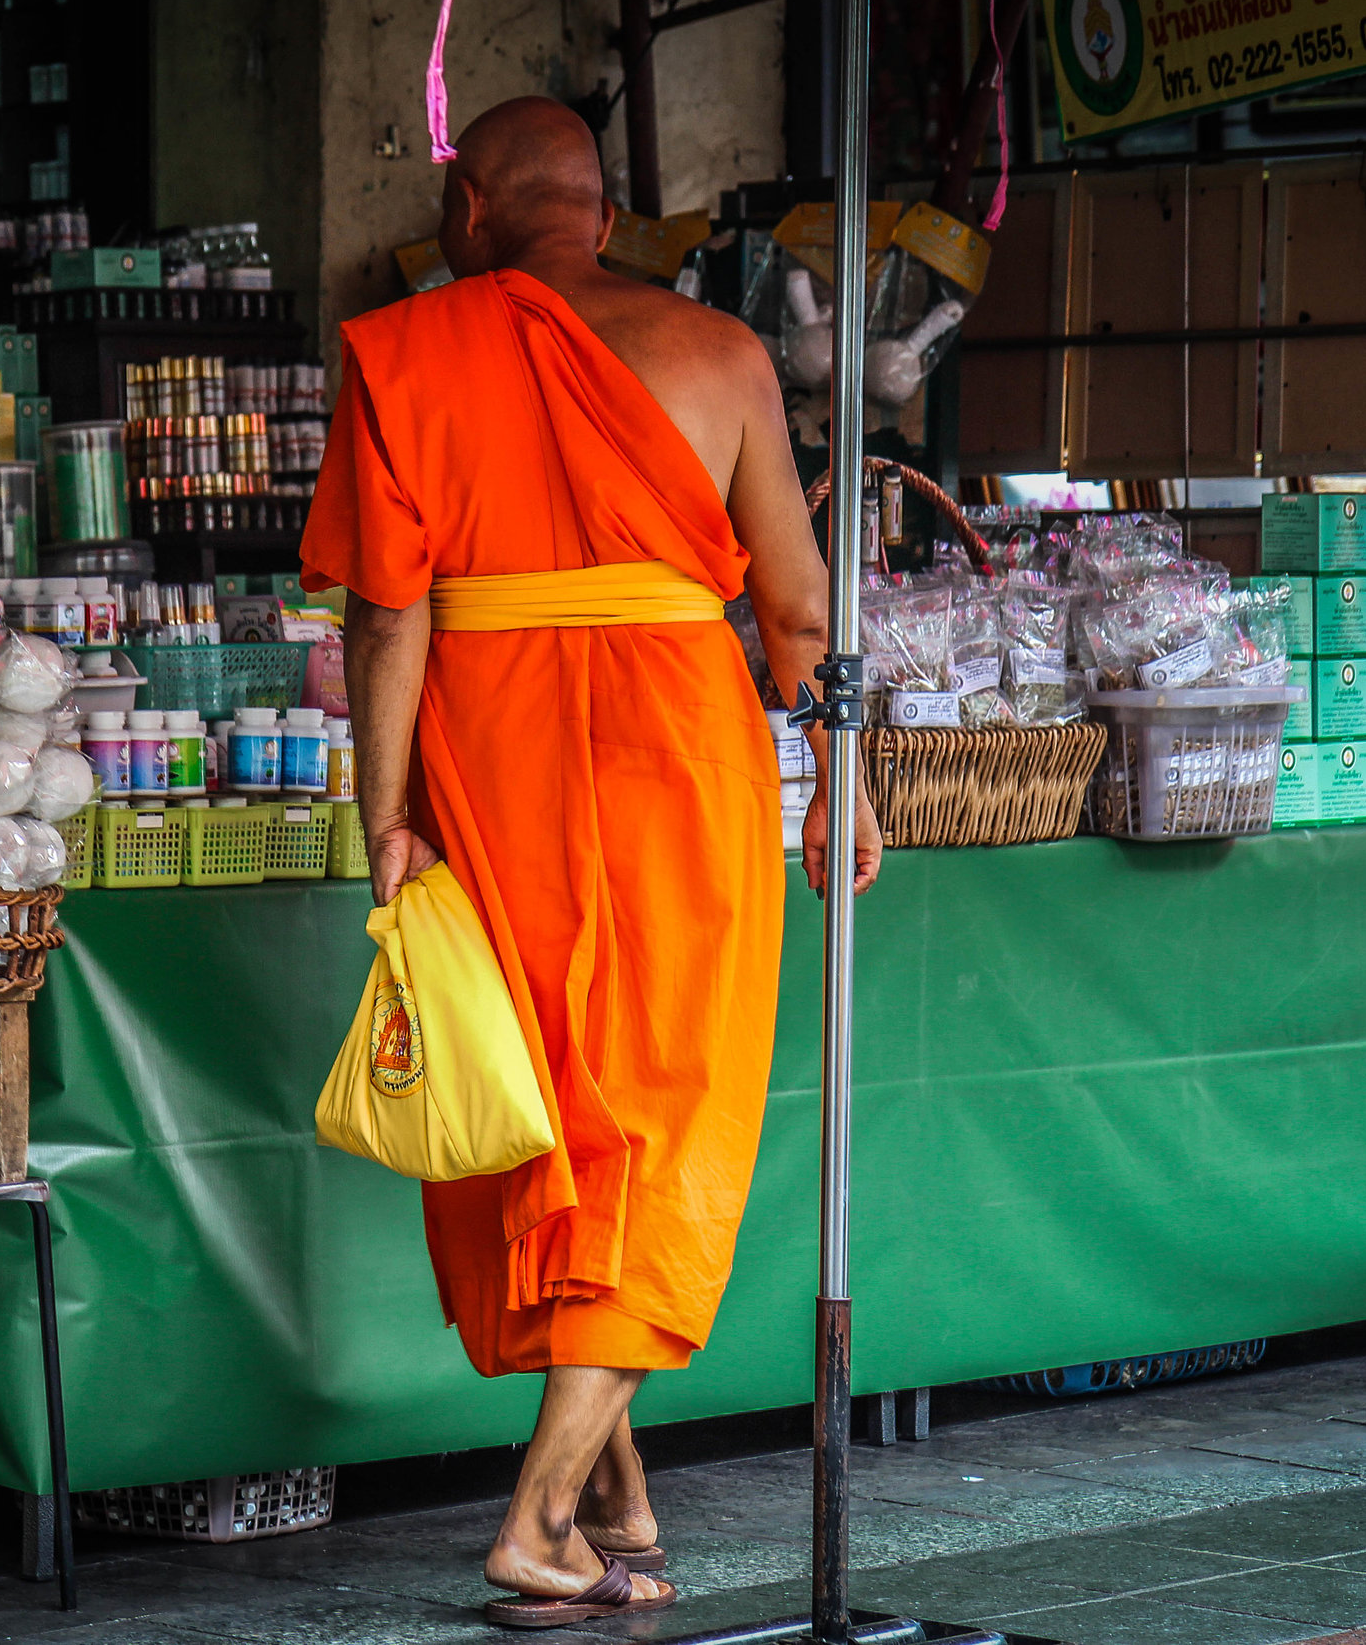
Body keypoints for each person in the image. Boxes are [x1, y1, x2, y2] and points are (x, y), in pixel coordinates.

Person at [298, 94, 881, 1630]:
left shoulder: (408, 349)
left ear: (464, 208)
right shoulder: (722, 356)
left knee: (552, 1116)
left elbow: (382, 615)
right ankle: (550, 1512)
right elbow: (804, 615)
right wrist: (846, 776)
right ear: (606, 220)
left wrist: (386, 819)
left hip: (493, 762)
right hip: (683, 755)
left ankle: (607, 1501)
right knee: (657, 1121)